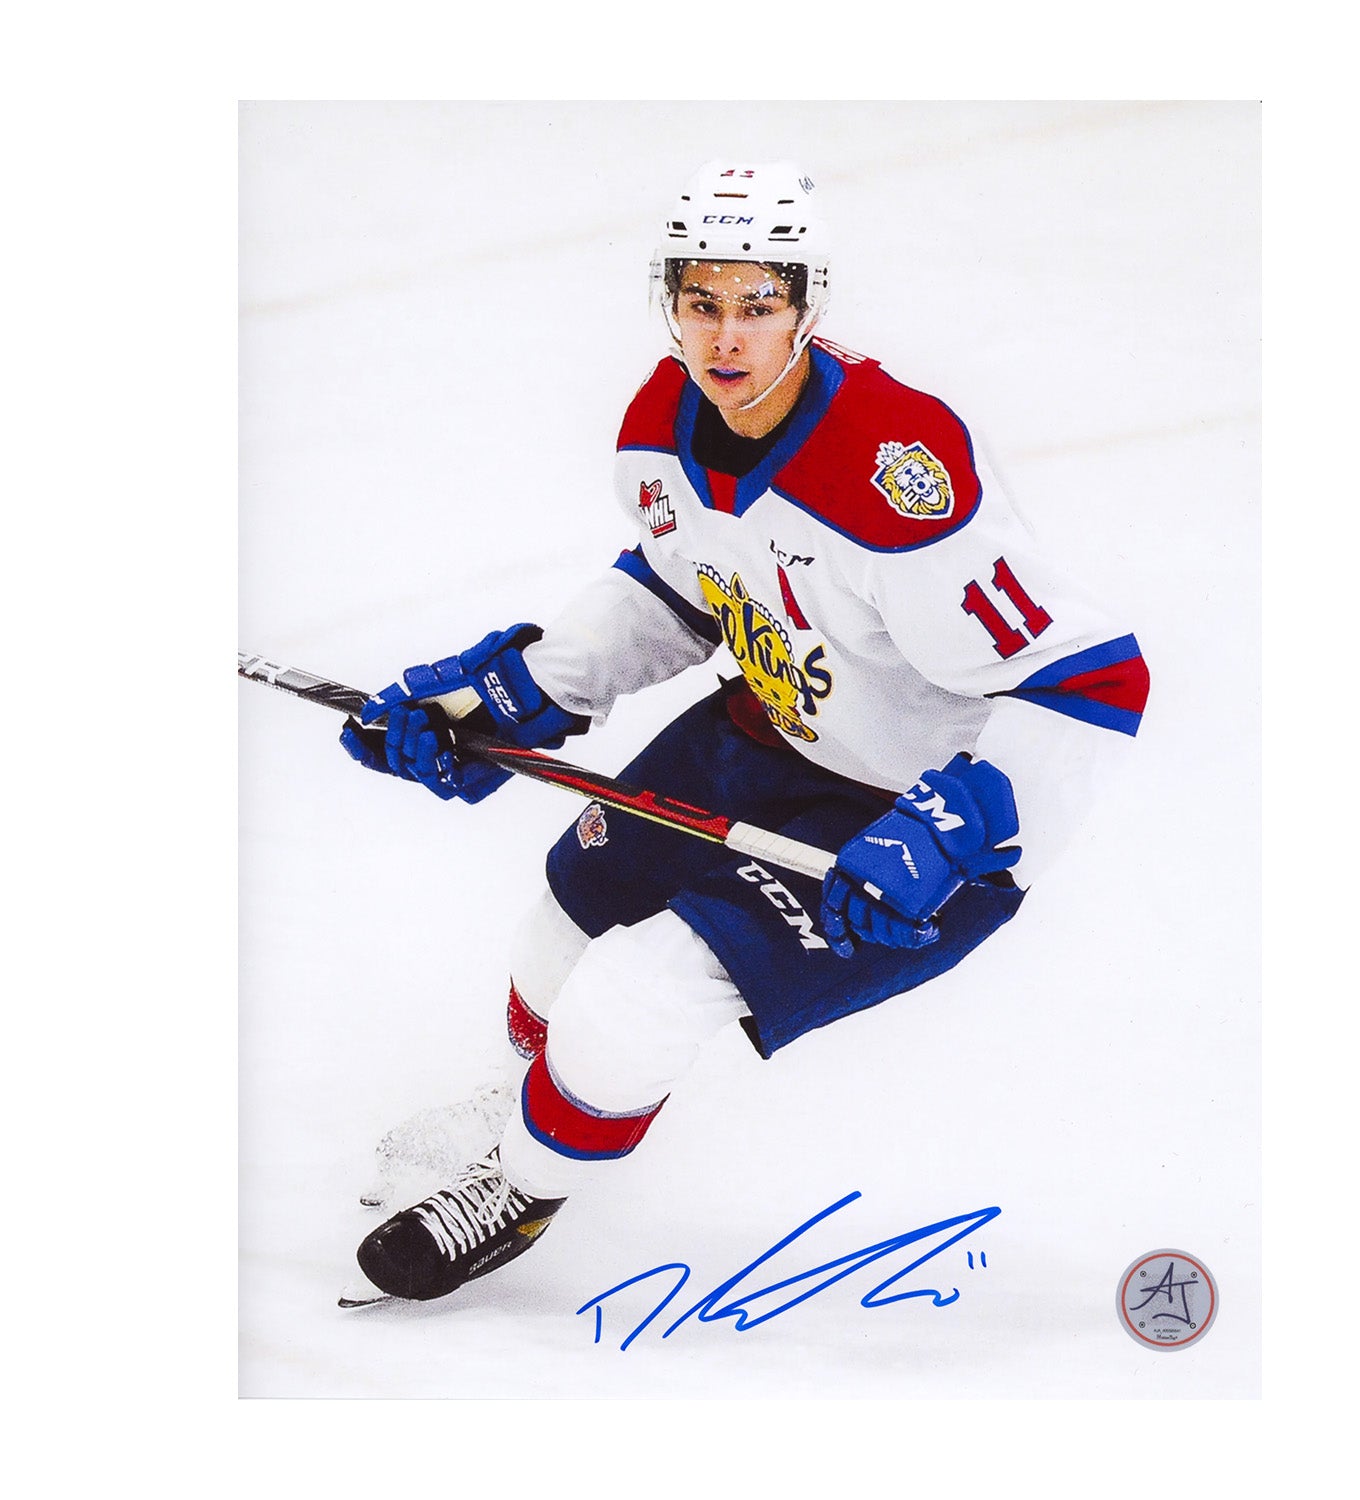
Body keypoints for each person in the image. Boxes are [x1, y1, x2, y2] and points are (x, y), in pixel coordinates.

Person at [336, 161, 1150, 1305]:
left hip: (919, 816)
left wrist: (957, 832)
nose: (726, 336)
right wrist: (516, 694)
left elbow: (1089, 678)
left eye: (758, 304)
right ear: (667, 302)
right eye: (702, 301)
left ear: (807, 307)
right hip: (774, 728)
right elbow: (687, 584)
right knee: (562, 920)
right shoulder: (658, 424)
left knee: (639, 993)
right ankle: (531, 1103)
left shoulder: (893, 471)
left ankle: (519, 1184)